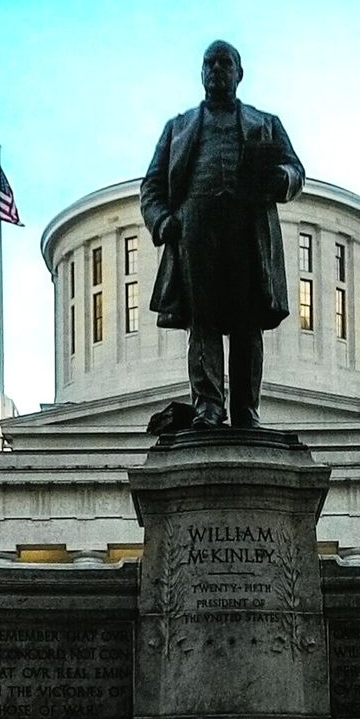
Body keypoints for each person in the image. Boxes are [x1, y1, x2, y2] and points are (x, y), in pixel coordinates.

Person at [140, 40, 304, 429]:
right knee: (204, 320)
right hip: (196, 229)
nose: (216, 69)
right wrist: (163, 221)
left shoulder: (265, 123)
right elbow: (152, 186)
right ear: (201, 73)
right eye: (209, 63)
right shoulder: (178, 128)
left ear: (239, 73)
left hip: (248, 230)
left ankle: (246, 410)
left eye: (224, 63)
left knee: (247, 323)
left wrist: (279, 178)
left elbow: (295, 171)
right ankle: (208, 407)